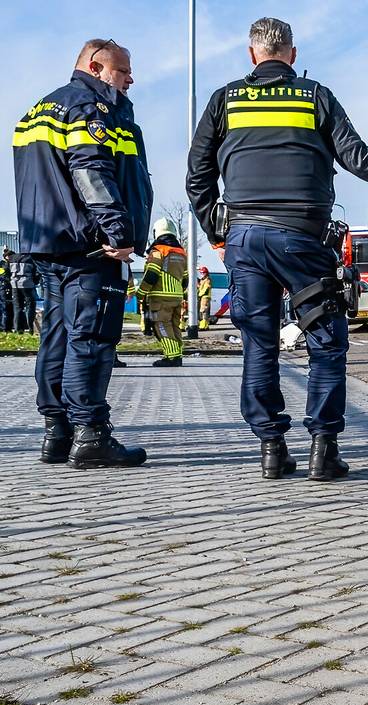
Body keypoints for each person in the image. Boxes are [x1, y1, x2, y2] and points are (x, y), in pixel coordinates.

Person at [187, 17, 368, 481]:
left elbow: (197, 175)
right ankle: (323, 451)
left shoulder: (225, 100)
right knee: (326, 342)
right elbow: (358, 157)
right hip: (303, 238)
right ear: (293, 54)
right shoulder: (314, 96)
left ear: (252, 55)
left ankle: (271, 449)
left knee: (259, 344)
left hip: (245, 238)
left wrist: (218, 234)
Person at [12, 38, 150, 468]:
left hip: (49, 244)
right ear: (95, 67)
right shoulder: (89, 109)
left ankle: (57, 432)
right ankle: (91, 434)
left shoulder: (37, 110)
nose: (130, 79)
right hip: (91, 247)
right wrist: (118, 231)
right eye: (122, 71)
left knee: (56, 338)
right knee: (91, 340)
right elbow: (91, 170)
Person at [136, 218, 188, 367]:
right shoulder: (181, 252)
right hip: (177, 296)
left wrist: (140, 293)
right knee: (174, 326)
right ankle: (177, 354)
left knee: (162, 326)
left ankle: (172, 357)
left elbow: (151, 274)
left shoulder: (158, 251)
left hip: (160, 296)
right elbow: (185, 279)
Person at [10, 252, 39, 334]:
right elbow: (36, 273)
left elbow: (8, 271)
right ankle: (30, 329)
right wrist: (35, 282)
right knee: (30, 306)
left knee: (17, 307)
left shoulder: (13, 258)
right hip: (27, 284)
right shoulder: (31, 258)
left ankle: (18, 329)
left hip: (15, 285)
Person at [0, 248, 13, 333]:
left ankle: (7, 327)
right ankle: (4, 327)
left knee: (7, 308)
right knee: (4, 308)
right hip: (4, 288)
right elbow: (3, 276)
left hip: (6, 287)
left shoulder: (7, 264)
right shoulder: (4, 264)